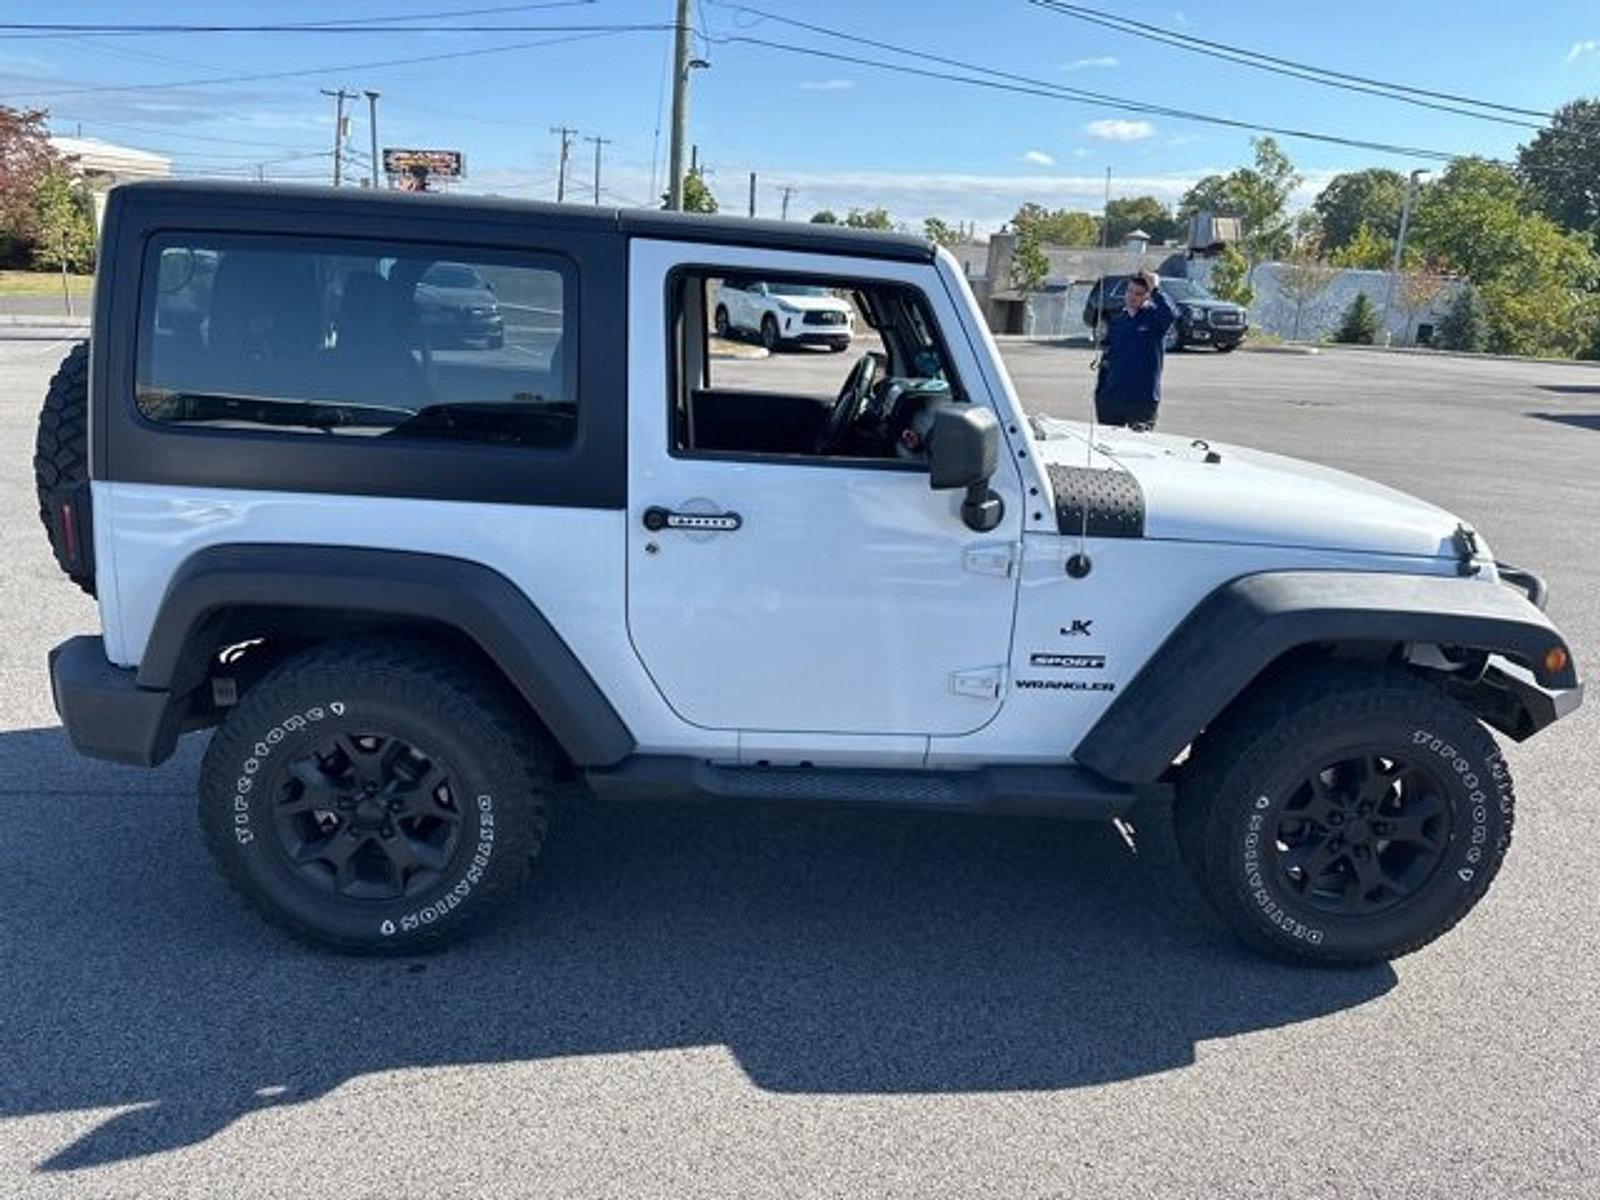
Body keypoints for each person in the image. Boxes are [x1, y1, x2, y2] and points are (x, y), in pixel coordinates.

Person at [1093, 269, 1177, 430]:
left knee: (1139, 448)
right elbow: (1108, 359)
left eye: (1138, 294)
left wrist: (1156, 288)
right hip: (1111, 399)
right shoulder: (1117, 321)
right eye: (1130, 291)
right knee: (1108, 447)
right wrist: (1100, 394)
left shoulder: (1155, 320)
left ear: (1147, 296)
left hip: (1142, 401)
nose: (1132, 296)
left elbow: (1171, 313)